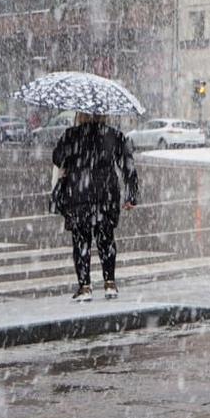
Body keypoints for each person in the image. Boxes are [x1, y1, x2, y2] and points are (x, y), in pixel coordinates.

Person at [51, 111, 139, 300]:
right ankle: (110, 283)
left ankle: (85, 287)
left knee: (81, 240)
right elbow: (128, 165)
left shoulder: (71, 135)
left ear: (81, 115)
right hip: (106, 194)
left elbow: (57, 158)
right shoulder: (113, 135)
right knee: (106, 238)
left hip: (79, 194)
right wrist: (131, 194)